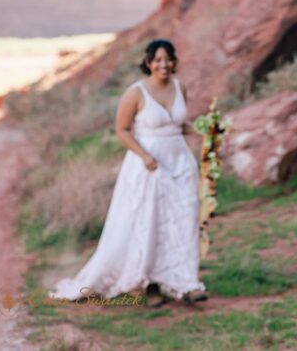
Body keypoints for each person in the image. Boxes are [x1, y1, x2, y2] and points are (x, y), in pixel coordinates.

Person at [50, 39, 207, 306]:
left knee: (182, 220)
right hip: (147, 164)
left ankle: (185, 282)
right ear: (148, 63)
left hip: (179, 162)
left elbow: (178, 125)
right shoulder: (136, 93)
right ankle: (148, 284)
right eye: (157, 60)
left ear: (174, 62)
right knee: (149, 221)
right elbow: (122, 129)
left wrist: (206, 130)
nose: (163, 64)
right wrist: (144, 155)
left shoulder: (181, 87)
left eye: (168, 59)